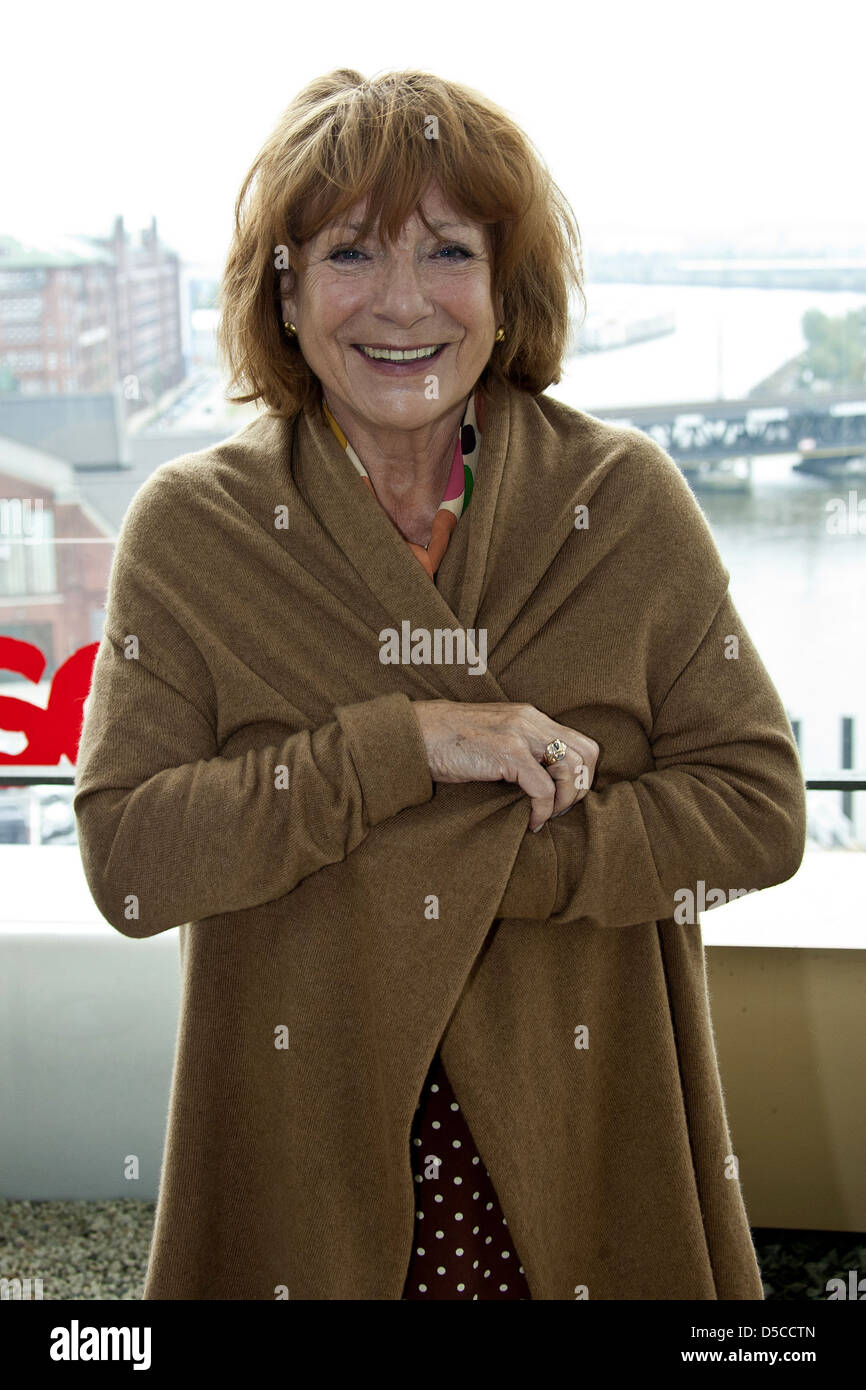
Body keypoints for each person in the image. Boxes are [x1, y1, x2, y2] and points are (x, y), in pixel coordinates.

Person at [73, 68, 806, 1301]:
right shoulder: (193, 532)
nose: (401, 301)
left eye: (448, 252)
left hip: (589, 1144)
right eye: (351, 252)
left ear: (504, 293)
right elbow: (131, 863)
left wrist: (506, 864)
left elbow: (757, 812)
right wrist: (403, 743)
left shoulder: (621, 503)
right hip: (297, 1162)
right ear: (286, 291)